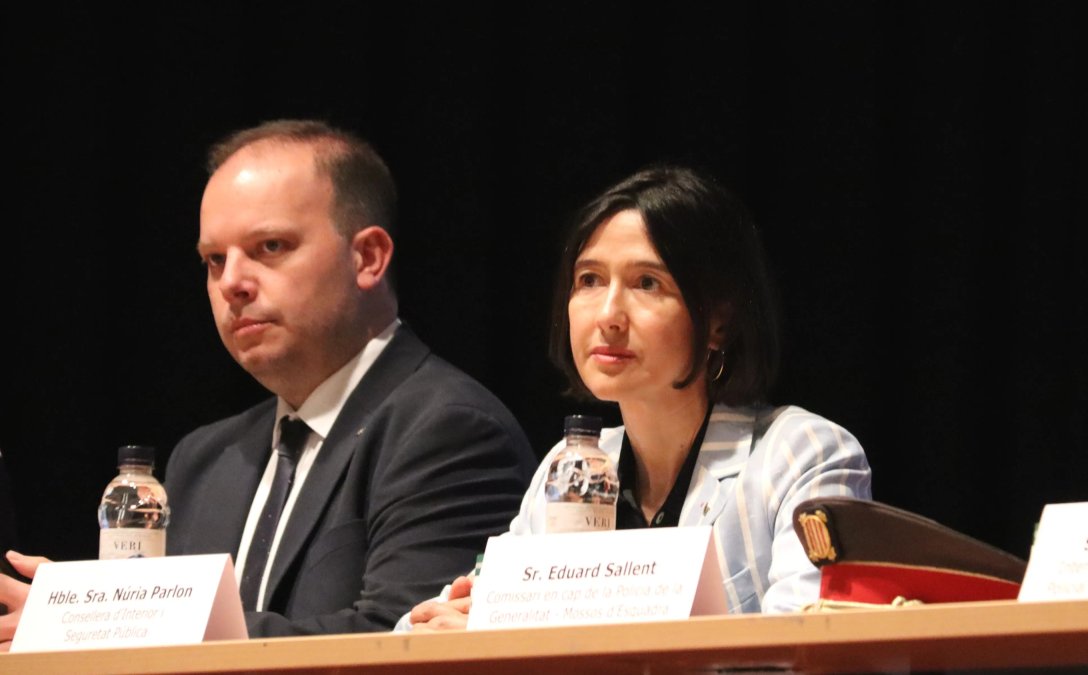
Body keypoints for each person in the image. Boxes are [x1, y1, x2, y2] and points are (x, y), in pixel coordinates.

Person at [0, 119, 536, 642]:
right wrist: (99, 620)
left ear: (368, 258)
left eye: (270, 247)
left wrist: (120, 622)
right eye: (214, 260)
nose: (231, 282)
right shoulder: (203, 459)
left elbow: (402, 640)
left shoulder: (450, 430)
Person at [404, 165, 871, 630]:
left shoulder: (800, 455)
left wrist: (507, 642)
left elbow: (811, 649)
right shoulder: (572, 468)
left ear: (719, 320)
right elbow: (417, 628)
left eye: (647, 283)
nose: (608, 315)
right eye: (589, 280)